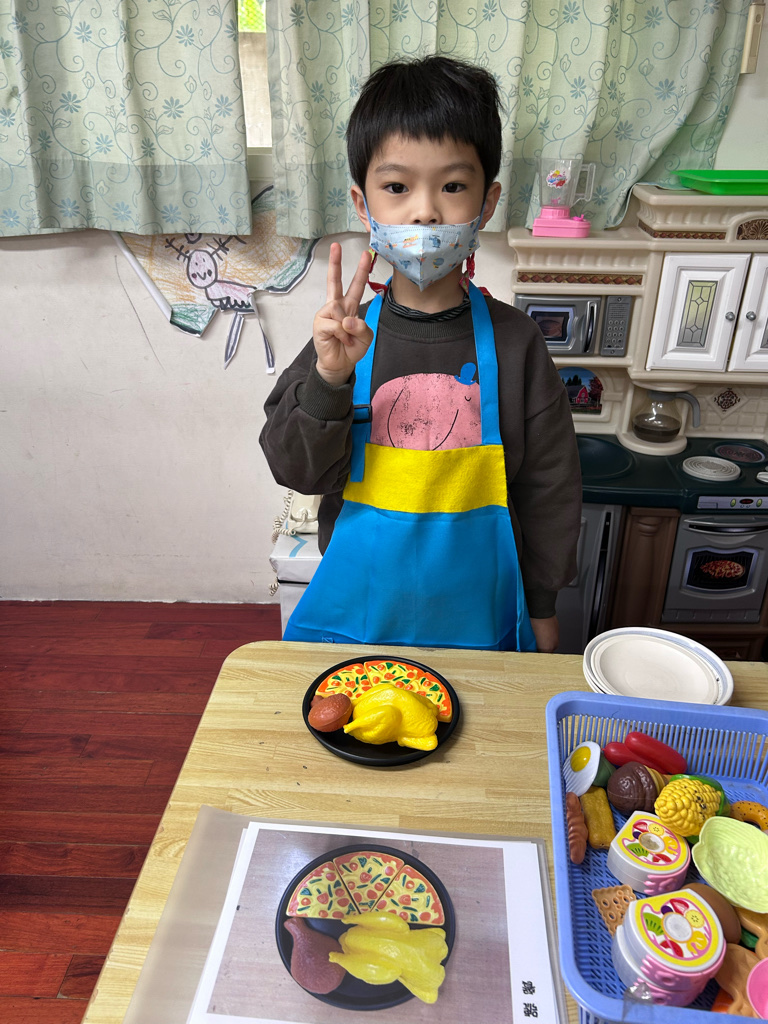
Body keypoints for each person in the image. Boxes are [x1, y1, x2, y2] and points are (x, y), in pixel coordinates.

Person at [260, 55, 582, 652]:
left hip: (480, 617)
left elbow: (549, 488)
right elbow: (296, 470)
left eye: (453, 186)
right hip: (360, 619)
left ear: (487, 202)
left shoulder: (516, 343)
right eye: (397, 187)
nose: (426, 210)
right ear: (364, 205)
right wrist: (329, 379)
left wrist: (542, 604)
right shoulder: (343, 340)